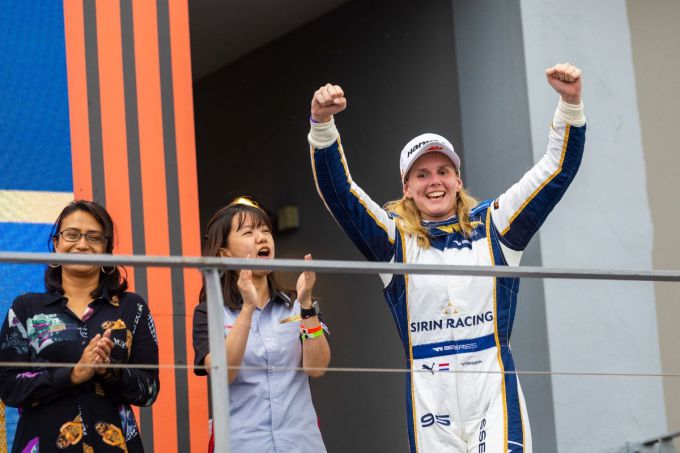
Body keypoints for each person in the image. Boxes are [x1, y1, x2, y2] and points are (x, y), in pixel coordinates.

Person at [307, 63, 586, 452]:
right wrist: (322, 125)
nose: (434, 181)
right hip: (430, 402)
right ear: (407, 188)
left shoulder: (495, 225)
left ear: (458, 180)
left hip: (492, 396)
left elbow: (554, 173)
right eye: (421, 175)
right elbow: (341, 195)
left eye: (443, 171)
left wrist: (570, 104)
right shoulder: (394, 242)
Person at [0, 200, 160, 452]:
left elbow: (149, 390)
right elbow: (8, 388)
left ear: (106, 248)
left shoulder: (132, 307)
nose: (82, 244)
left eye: (94, 237)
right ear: (56, 244)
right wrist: (72, 374)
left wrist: (110, 371)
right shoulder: (26, 308)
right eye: (72, 235)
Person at [192, 197, 331, 453]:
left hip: (301, 444)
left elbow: (317, 367)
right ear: (224, 253)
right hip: (242, 445)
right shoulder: (210, 311)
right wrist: (247, 308)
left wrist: (306, 305)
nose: (261, 238)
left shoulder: (296, 304)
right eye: (248, 232)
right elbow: (224, 374)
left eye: (265, 230)